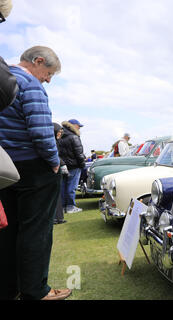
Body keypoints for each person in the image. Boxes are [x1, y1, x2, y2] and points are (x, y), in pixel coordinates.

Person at [0, 45, 72, 300]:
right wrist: (54, 162)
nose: (48, 80)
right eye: (49, 73)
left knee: (8, 232)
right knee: (36, 231)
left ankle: (10, 288)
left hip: (5, 168)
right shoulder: (29, 84)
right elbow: (42, 133)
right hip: (33, 167)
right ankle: (35, 290)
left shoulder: (3, 79)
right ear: (38, 61)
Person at [58, 119, 86, 214]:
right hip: (74, 166)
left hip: (62, 165)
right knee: (71, 188)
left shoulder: (59, 136)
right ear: (73, 125)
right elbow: (79, 153)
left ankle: (63, 207)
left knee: (63, 187)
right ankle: (70, 206)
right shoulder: (74, 137)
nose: (79, 128)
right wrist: (82, 165)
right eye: (79, 126)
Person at [53, 123, 67, 225]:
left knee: (57, 195)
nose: (60, 133)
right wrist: (62, 164)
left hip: (56, 170)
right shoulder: (53, 142)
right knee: (53, 195)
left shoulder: (56, 141)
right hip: (52, 170)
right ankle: (55, 218)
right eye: (59, 131)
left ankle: (59, 217)